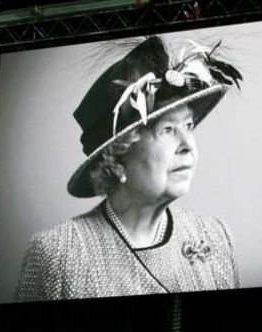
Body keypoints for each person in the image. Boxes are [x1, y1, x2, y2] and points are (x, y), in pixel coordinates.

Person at [16, 35, 242, 302]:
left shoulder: (215, 236)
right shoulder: (58, 253)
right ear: (117, 158)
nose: (188, 146)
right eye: (167, 130)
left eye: (189, 126)